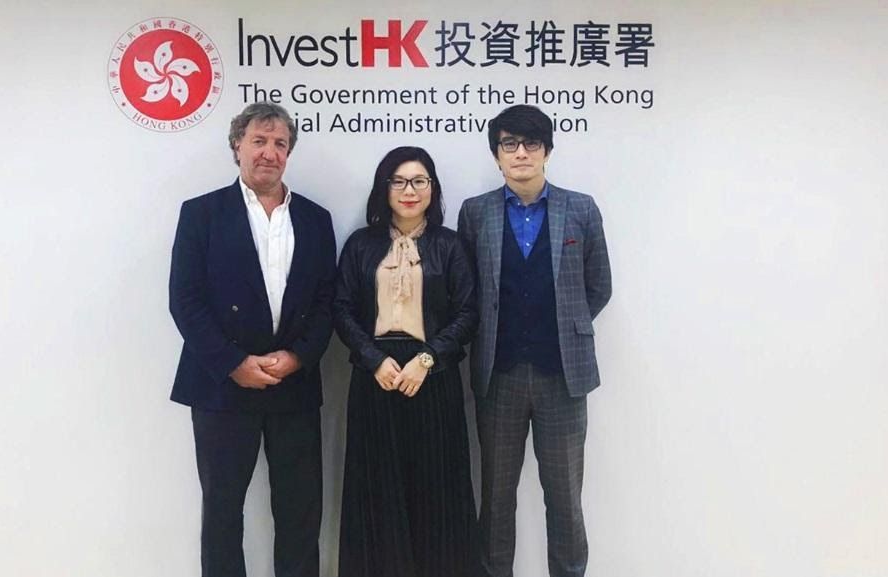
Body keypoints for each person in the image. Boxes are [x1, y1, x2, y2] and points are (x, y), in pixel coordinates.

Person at [168, 102, 336, 577]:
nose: (269, 152)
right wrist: (233, 363)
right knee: (222, 511)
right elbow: (185, 300)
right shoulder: (201, 214)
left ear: (289, 153)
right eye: (259, 141)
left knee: (301, 511)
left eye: (280, 143)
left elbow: (328, 301)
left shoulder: (315, 218)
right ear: (237, 146)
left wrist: (298, 356)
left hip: (293, 384)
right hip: (222, 385)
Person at [457, 105, 612, 577]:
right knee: (496, 498)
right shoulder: (476, 212)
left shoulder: (581, 208)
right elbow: (467, 292)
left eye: (531, 144)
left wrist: (564, 327)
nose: (520, 153)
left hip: (562, 377)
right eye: (510, 144)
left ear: (547, 151)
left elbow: (599, 286)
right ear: (496, 155)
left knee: (565, 498)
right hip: (498, 376)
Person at [334, 146, 480, 577]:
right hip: (376, 375)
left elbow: (468, 312)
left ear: (432, 188)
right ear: (384, 188)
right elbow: (341, 308)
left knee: (437, 489)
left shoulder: (450, 245)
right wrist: (373, 359)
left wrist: (428, 357)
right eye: (398, 181)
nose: (409, 190)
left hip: (432, 374)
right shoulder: (360, 245)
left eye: (419, 181)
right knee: (376, 489)